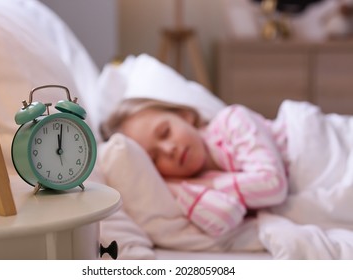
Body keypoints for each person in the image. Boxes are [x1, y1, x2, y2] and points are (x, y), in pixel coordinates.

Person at [100, 98, 289, 237]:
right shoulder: (188, 186)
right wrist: (174, 186)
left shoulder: (232, 120)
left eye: (165, 133)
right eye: (154, 159)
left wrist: (199, 183)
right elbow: (225, 216)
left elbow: (272, 184)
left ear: (185, 116)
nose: (169, 149)